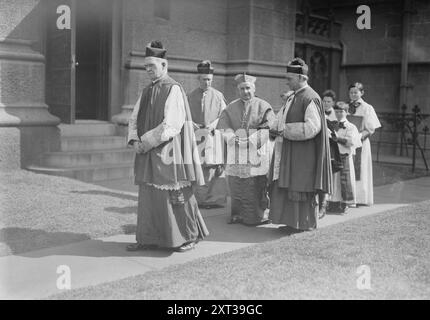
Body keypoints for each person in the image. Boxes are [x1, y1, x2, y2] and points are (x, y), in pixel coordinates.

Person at [126, 40, 209, 252]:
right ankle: (149, 238)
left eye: (152, 67)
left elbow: (172, 124)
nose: (148, 71)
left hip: (169, 153)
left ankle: (187, 237)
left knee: (176, 197)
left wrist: (145, 142)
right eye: (146, 67)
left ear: (164, 65)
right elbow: (134, 118)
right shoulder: (146, 90)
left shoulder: (173, 89)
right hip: (147, 153)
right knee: (149, 198)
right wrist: (134, 140)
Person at [268, 58, 332, 232]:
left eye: (290, 78)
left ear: (301, 78)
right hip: (291, 150)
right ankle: (291, 223)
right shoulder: (294, 97)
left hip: (304, 153)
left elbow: (312, 127)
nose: (286, 81)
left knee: (299, 186)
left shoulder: (310, 97)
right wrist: (273, 127)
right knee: (289, 185)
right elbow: (281, 118)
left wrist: (283, 130)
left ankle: (302, 224)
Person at [217, 73, 276, 226]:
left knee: (254, 184)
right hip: (236, 150)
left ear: (253, 88)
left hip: (255, 151)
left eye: (248, 88)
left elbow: (268, 127)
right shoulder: (231, 107)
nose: (245, 91)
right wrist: (232, 138)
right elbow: (224, 125)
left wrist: (250, 141)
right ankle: (237, 215)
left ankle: (255, 216)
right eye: (242, 88)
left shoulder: (263, 105)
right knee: (236, 184)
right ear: (238, 89)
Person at [187, 60, 228, 208]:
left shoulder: (218, 96)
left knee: (213, 167)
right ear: (198, 79)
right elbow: (185, 116)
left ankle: (214, 199)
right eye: (204, 79)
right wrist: (192, 124)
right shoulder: (190, 96)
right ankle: (199, 199)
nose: (207, 82)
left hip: (213, 135)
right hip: (197, 136)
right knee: (199, 166)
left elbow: (224, 115)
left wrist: (213, 125)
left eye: (209, 80)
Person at [348, 82, 381, 206]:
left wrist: (358, 137)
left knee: (360, 168)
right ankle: (349, 197)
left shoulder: (367, 108)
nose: (353, 95)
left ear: (362, 93)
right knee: (349, 168)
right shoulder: (346, 106)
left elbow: (370, 129)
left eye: (356, 92)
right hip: (348, 142)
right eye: (351, 92)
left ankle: (361, 198)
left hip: (361, 142)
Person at [327, 101, 362, 214]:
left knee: (345, 180)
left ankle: (344, 203)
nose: (339, 114)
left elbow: (352, 142)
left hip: (344, 155)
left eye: (341, 111)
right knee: (334, 180)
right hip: (334, 155)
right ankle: (333, 202)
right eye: (336, 111)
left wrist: (339, 139)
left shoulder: (351, 127)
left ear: (346, 112)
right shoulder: (332, 125)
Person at [319, 89, 342, 218]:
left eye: (329, 101)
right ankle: (321, 203)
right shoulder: (319, 112)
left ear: (333, 103)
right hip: (322, 147)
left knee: (332, 176)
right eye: (324, 101)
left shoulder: (337, 115)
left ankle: (329, 203)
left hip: (334, 148)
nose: (326, 103)